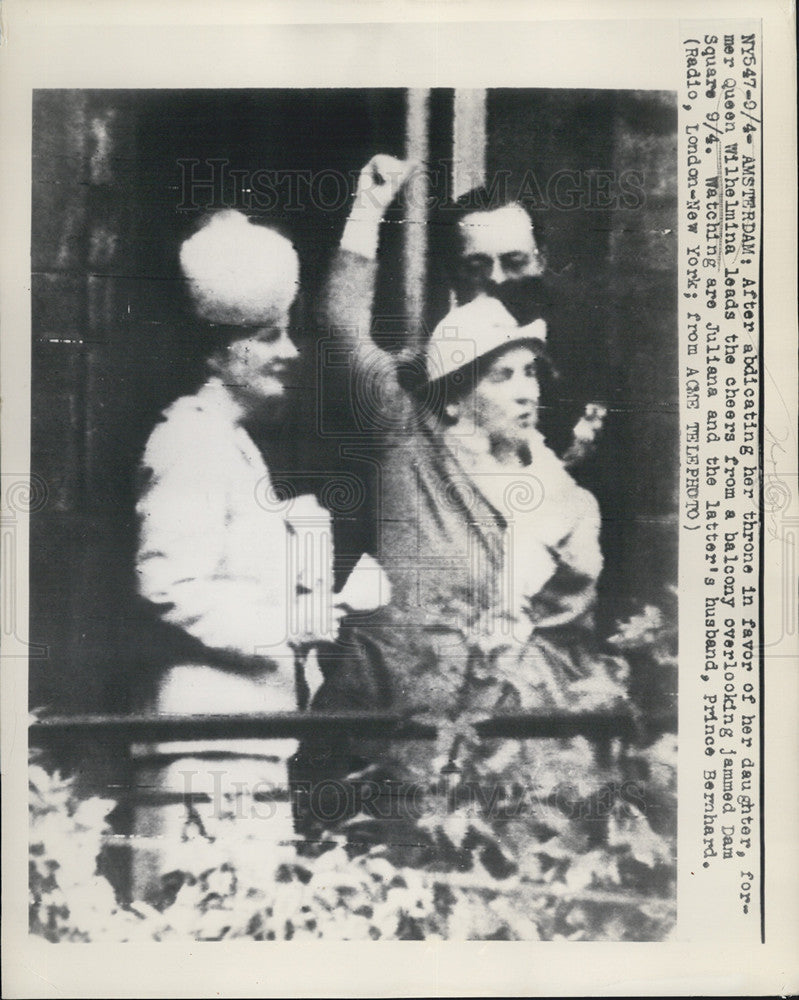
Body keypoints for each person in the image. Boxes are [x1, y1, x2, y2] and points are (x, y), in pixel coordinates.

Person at [304, 158, 625, 840]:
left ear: (542, 261)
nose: (498, 279)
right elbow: (338, 332)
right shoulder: (411, 414)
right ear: (453, 275)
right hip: (413, 734)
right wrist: (368, 208)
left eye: (515, 260)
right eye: (476, 265)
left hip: (534, 749)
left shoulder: (577, 403)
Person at [133, 209, 388, 899]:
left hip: (246, 737)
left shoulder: (231, 444)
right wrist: (290, 624)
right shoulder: (191, 441)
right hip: (207, 741)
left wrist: (318, 603)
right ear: (219, 352)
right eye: (269, 336)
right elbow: (168, 583)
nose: (290, 352)